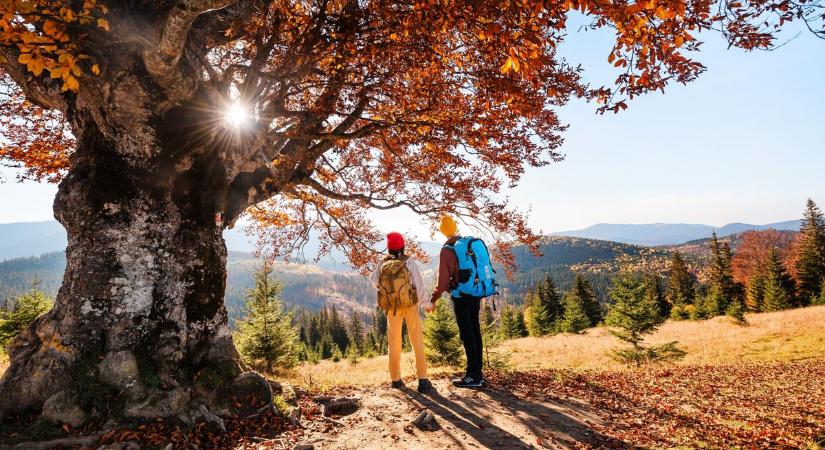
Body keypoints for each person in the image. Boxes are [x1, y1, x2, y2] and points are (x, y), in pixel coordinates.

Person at [369, 232, 433, 394]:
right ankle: (423, 380)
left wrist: (390, 292)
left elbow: (374, 281)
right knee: (416, 339)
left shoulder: (382, 262)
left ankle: (396, 379)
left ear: (388, 247)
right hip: (410, 305)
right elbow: (419, 286)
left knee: (394, 341)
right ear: (403, 246)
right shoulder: (409, 262)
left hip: (392, 307)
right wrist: (427, 304)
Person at [428, 216, 484, 388]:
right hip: (475, 292)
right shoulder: (466, 244)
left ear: (442, 232)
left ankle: (472, 376)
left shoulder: (447, 250)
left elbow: (443, 281)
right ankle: (477, 373)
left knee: (467, 334)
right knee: (475, 331)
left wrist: (433, 298)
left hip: (461, 296)